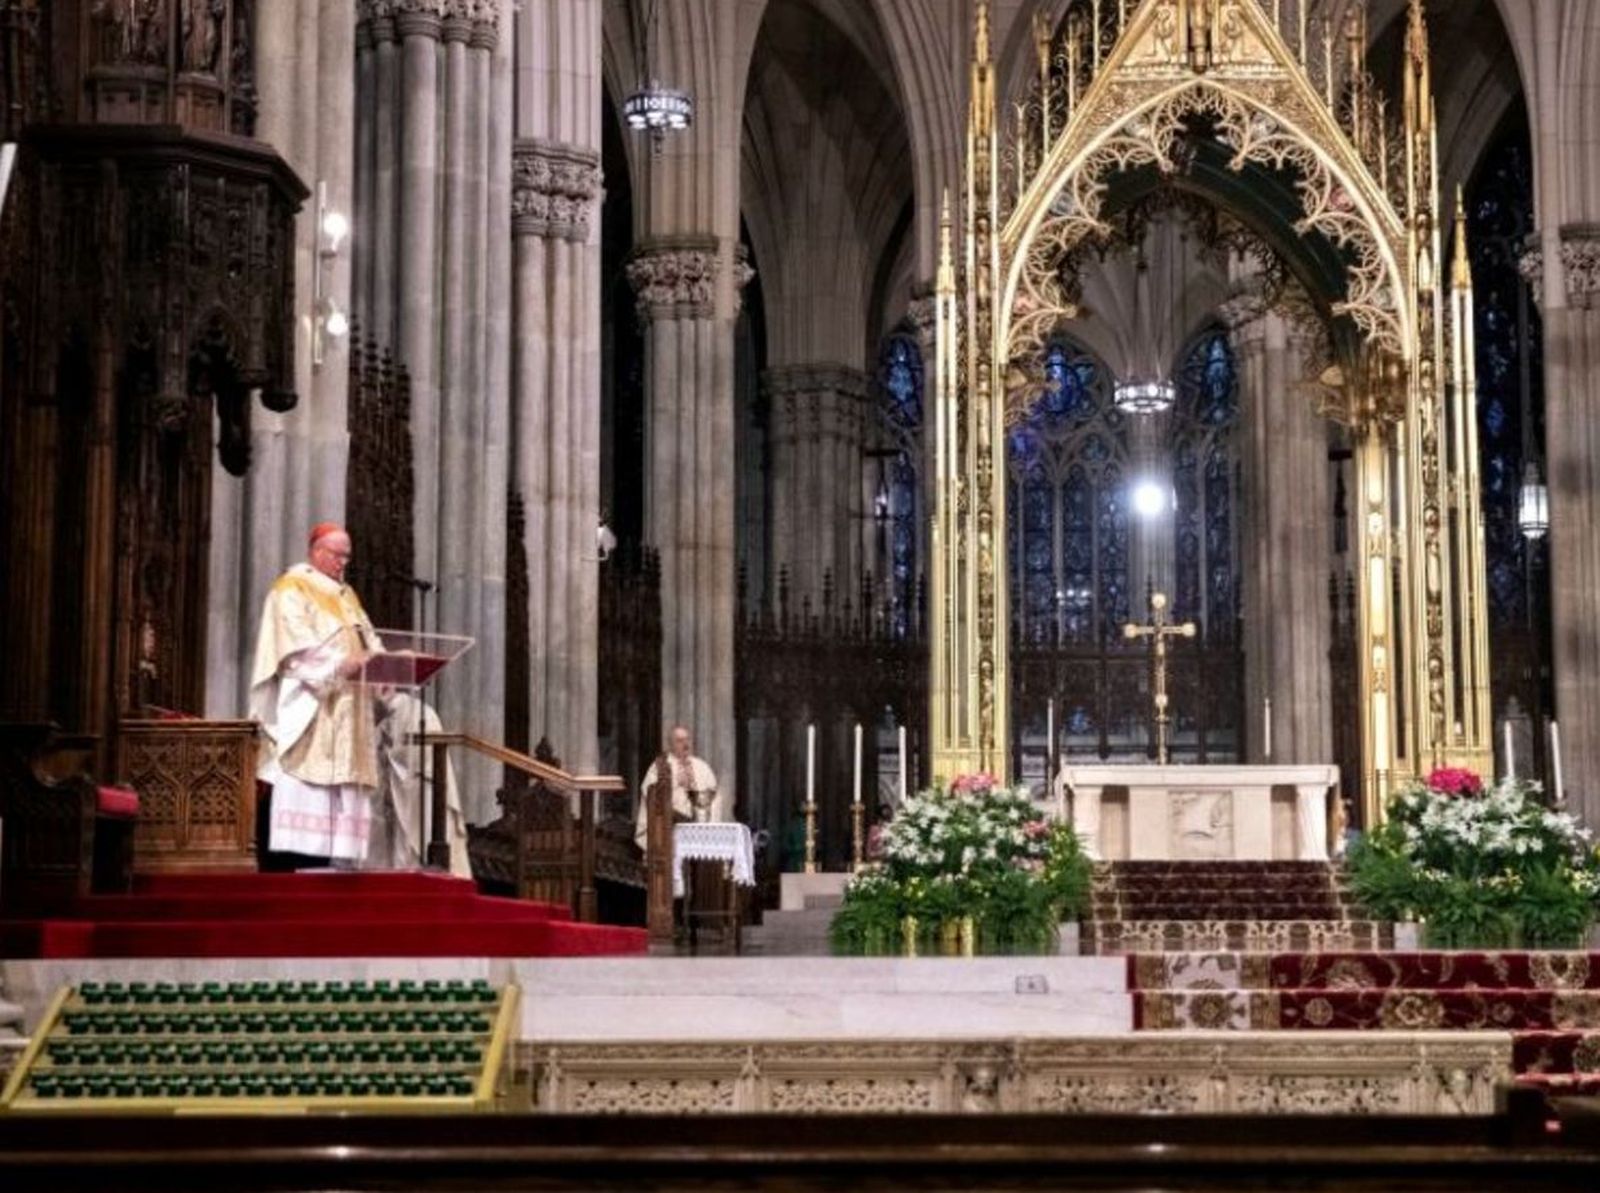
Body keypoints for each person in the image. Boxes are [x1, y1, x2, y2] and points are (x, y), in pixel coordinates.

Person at [250, 522, 469, 873]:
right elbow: (294, 652)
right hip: (314, 707)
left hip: (351, 712)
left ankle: (337, 863)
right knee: (308, 793)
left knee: (342, 814)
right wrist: (345, 663)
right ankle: (294, 865)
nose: (343, 563)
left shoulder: (346, 597)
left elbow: (370, 644)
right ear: (316, 551)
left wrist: (394, 663)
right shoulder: (291, 589)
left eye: (346, 557)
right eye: (337, 555)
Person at [634, 725, 727, 848]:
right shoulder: (659, 767)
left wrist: (706, 818)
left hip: (699, 828)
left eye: (687, 739)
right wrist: (676, 784)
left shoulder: (702, 767)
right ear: (670, 744)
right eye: (679, 741)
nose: (685, 744)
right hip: (669, 828)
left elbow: (715, 796)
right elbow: (651, 794)